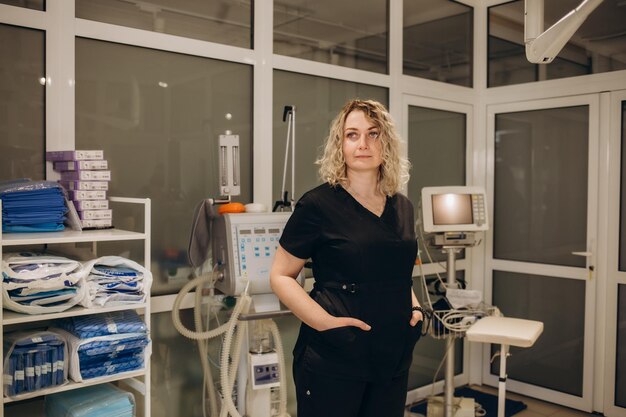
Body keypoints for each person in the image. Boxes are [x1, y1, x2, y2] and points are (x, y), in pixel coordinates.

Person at [270, 99, 425, 417]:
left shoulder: (404, 207)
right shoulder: (317, 205)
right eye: (352, 135)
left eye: (373, 133)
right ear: (340, 144)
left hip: (393, 354)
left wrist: (416, 307)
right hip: (335, 356)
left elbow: (397, 272)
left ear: (387, 142)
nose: (363, 144)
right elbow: (281, 275)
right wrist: (323, 323)